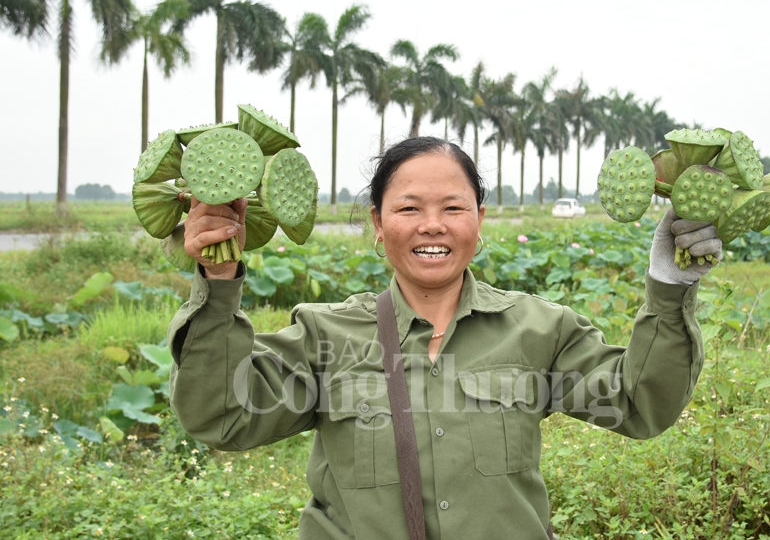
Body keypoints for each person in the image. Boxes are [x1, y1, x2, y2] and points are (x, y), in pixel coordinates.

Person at [167, 136, 722, 539]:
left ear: (478, 222)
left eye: (453, 208)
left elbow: (639, 404)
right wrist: (218, 285)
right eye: (408, 208)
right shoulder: (325, 336)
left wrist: (670, 285)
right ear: (378, 225)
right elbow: (223, 415)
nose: (432, 225)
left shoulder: (540, 331)